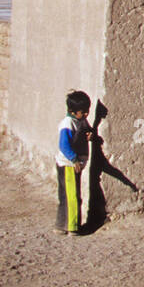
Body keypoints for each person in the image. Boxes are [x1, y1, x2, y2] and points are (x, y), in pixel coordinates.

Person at [55, 90, 92, 235]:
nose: (86, 115)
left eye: (87, 112)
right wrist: (74, 159)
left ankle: (61, 225)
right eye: (82, 112)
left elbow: (87, 130)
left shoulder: (80, 120)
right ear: (72, 111)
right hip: (68, 165)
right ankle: (72, 227)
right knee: (71, 196)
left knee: (67, 195)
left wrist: (90, 133)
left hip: (74, 165)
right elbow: (64, 145)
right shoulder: (68, 123)